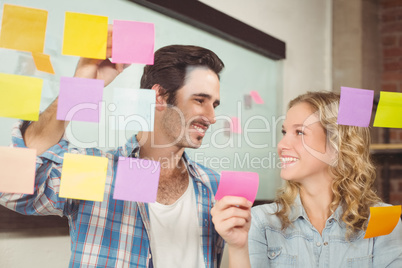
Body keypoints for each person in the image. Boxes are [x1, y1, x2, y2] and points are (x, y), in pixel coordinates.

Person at [0, 28, 226, 267]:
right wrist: (77, 90)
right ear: (159, 96)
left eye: (215, 104)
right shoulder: (97, 172)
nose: (211, 117)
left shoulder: (212, 185)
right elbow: (11, 187)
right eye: (200, 100)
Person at [211, 91, 402, 267]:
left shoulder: (383, 219)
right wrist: (237, 248)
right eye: (284, 132)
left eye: (300, 132)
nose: (282, 144)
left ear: (337, 146)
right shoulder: (261, 221)